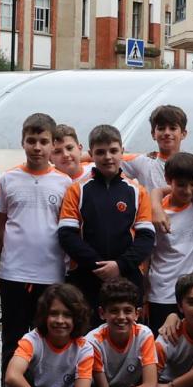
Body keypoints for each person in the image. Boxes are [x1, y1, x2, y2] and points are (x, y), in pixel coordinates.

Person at [0, 113, 76, 387]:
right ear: (23, 142)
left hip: (51, 274)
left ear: (53, 145)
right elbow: (0, 224)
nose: (37, 147)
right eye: (31, 141)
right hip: (14, 274)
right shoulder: (8, 179)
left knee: (48, 340)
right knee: (12, 340)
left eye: (43, 141)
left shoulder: (64, 183)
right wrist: (8, 255)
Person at [55, 124, 155, 312]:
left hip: (127, 278)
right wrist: (98, 266)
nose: (108, 157)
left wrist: (120, 265)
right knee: (85, 337)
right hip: (85, 278)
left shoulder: (138, 192)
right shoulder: (77, 190)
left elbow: (146, 238)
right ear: (91, 154)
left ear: (122, 152)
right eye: (101, 152)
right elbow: (67, 235)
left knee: (126, 334)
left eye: (113, 151)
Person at [143, 153, 193, 333]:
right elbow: (147, 255)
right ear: (168, 180)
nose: (188, 191)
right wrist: (145, 294)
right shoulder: (157, 214)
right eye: (181, 185)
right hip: (162, 293)